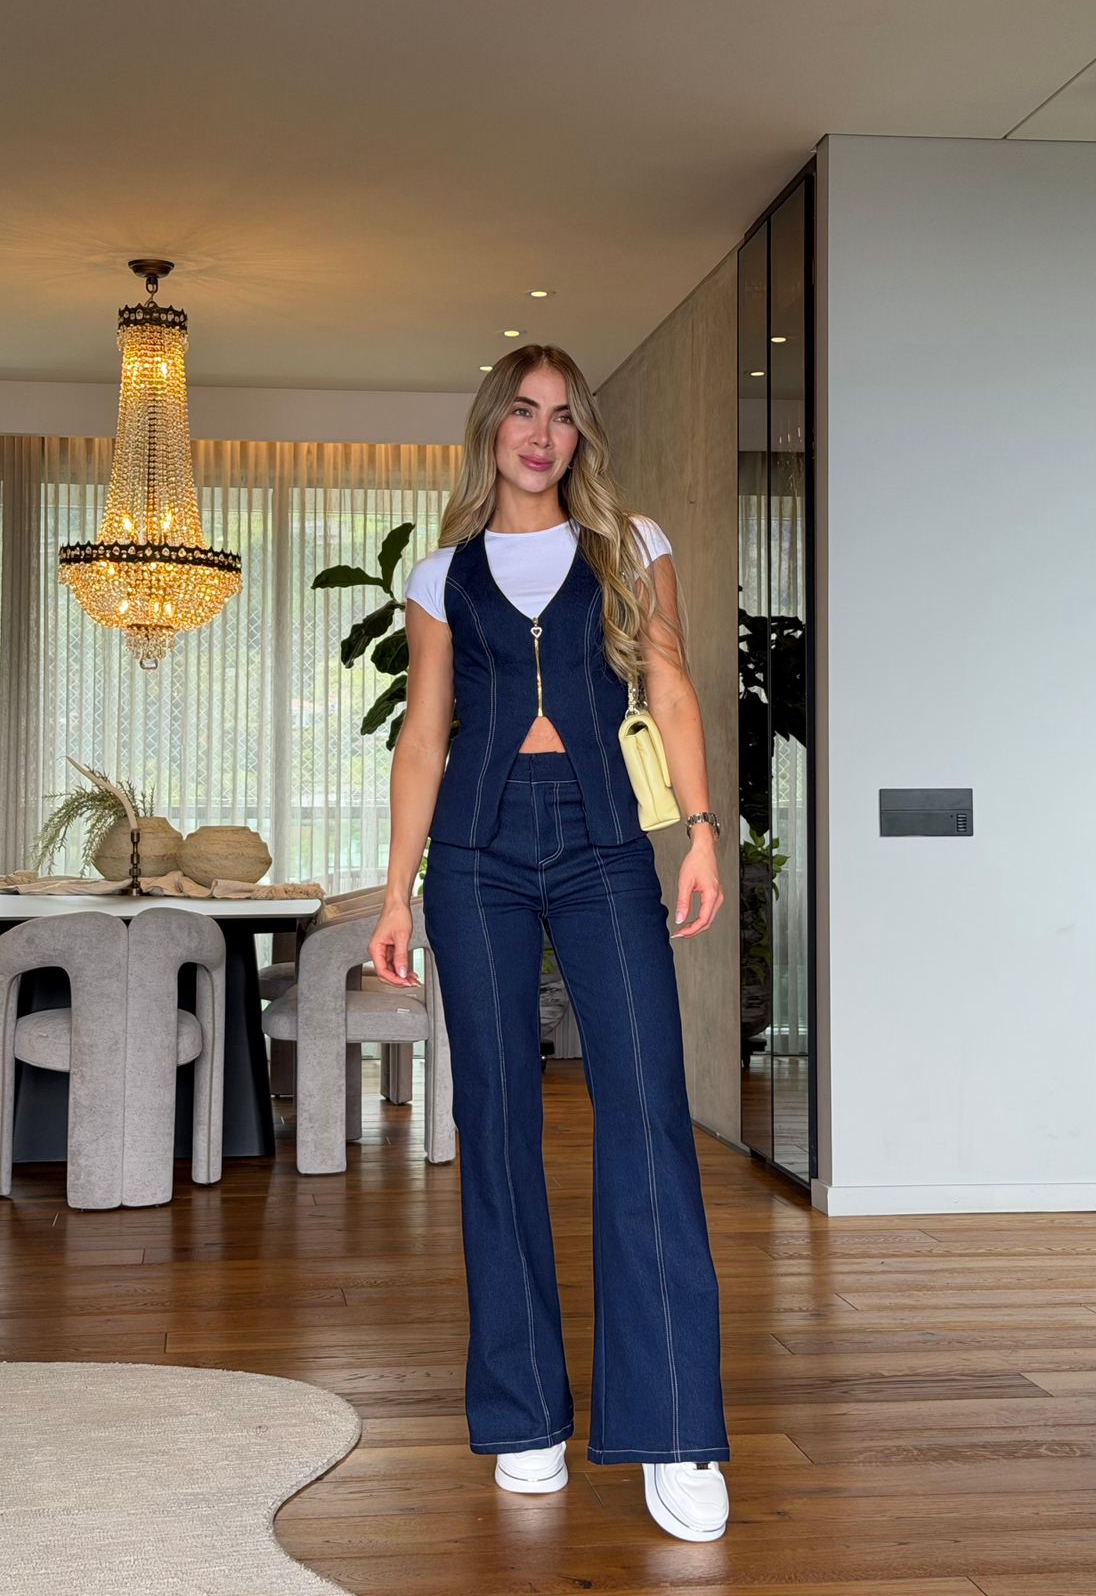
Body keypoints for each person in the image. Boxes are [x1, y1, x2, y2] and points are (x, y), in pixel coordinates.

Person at [368, 344, 731, 1542]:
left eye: (563, 417)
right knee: (495, 1121)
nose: (541, 434)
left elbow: (669, 686)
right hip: (474, 852)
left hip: (603, 840)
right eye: (522, 412)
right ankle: (523, 1411)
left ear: (581, 437)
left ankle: (673, 1425)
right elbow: (423, 736)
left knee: (647, 1111)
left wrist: (698, 830)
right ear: (491, 427)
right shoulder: (441, 575)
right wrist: (395, 893)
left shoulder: (630, 542)